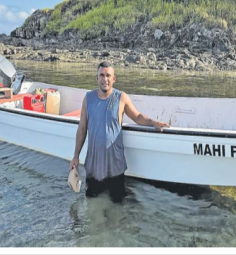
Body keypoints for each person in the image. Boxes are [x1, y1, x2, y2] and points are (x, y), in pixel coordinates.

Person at [68, 61, 170, 202]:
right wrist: (75, 156)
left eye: (108, 75)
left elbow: (137, 116)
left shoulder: (121, 97)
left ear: (114, 78)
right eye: (101, 75)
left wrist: (152, 122)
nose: (105, 79)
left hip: (115, 166)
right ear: (96, 78)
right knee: (93, 208)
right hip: (94, 165)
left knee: (117, 208)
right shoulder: (88, 99)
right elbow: (82, 128)